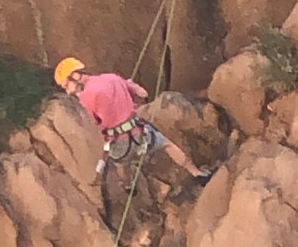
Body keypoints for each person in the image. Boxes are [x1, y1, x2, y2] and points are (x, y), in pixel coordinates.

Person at [54, 57, 214, 190]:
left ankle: (128, 186)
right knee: (167, 145)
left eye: (66, 85)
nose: (68, 91)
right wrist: (128, 86)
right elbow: (143, 93)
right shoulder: (111, 78)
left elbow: (96, 123)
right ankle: (197, 173)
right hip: (140, 135)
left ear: (75, 76)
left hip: (119, 144)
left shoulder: (85, 99)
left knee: (121, 165)